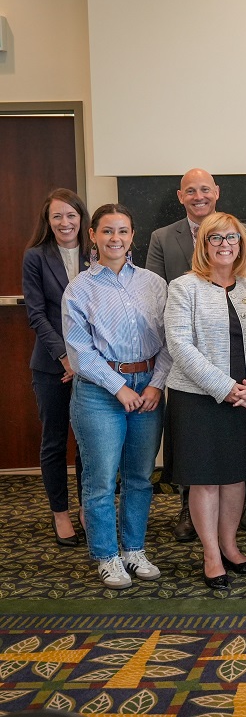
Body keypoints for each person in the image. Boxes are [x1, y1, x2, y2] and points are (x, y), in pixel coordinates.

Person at [163, 213, 246, 590]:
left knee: (235, 477)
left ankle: (230, 545)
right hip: (198, 398)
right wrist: (223, 386)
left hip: (244, 398)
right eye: (216, 238)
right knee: (206, 480)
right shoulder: (184, 288)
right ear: (203, 244)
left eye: (232, 237)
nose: (225, 244)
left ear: (241, 244)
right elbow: (179, 345)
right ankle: (211, 553)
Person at [63, 204, 171, 589]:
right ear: (92, 235)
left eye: (123, 231)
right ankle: (107, 556)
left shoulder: (153, 283)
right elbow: (80, 353)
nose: (115, 239)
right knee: (102, 480)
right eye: (107, 231)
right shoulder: (80, 288)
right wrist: (118, 387)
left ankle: (134, 550)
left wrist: (156, 383)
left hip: (148, 390)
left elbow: (168, 341)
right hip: (100, 393)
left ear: (132, 236)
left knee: (141, 477)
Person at [146, 167, 222, 543]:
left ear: (217, 193)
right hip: (184, 357)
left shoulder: (234, 230)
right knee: (188, 441)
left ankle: (238, 507)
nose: (198, 196)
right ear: (180, 197)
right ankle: (187, 508)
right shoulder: (163, 237)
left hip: (229, 355)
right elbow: (155, 297)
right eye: (190, 191)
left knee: (231, 434)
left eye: (204, 189)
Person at [23, 189, 89, 547]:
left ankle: (85, 508)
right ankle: (60, 513)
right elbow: (36, 313)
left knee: (88, 443)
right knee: (54, 441)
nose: (65, 223)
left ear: (82, 218)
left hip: (93, 366)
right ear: (48, 223)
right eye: (57, 217)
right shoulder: (35, 257)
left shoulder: (97, 255)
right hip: (52, 366)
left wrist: (84, 359)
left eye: (71, 215)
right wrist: (66, 357)